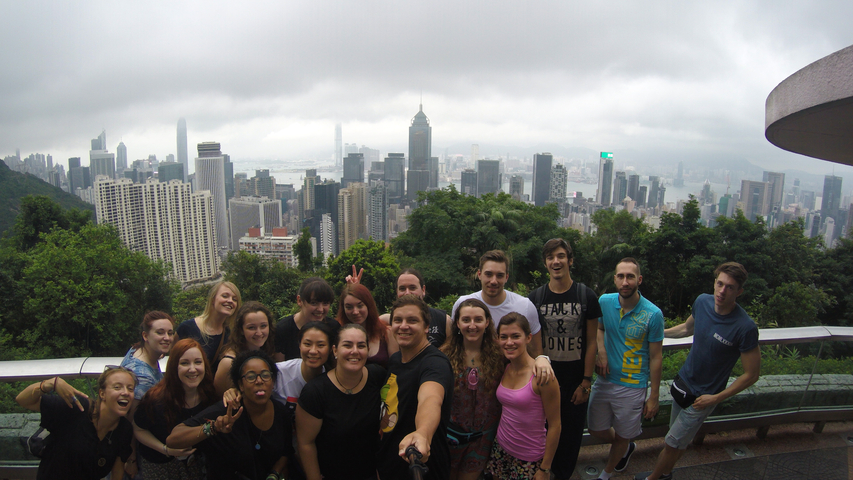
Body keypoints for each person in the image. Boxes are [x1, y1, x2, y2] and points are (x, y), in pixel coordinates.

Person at [638, 262, 760, 480]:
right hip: (683, 384)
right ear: (714, 283)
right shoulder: (703, 302)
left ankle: (653, 478)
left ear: (739, 291)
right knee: (678, 440)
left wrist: (716, 398)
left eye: (730, 287)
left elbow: (751, 374)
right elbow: (687, 328)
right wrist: (656, 333)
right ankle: (666, 473)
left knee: (671, 442)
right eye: (720, 284)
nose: (722, 291)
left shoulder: (745, 327)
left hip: (705, 396)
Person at [528, 238, 602, 480]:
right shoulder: (536, 298)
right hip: (546, 381)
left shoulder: (586, 296)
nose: (556, 261)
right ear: (545, 263)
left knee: (570, 439)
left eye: (561, 256)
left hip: (574, 383)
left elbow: (592, 342)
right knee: (543, 433)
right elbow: (532, 344)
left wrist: (586, 382)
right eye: (550, 257)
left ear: (570, 260)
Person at [589, 258, 664, 480]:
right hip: (605, 379)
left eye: (630, 276)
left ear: (639, 280)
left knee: (623, 434)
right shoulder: (604, 301)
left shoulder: (653, 314)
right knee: (595, 429)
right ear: (614, 279)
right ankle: (625, 445)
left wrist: (654, 396)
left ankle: (607, 473)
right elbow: (599, 329)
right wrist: (601, 351)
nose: (625, 281)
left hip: (633, 385)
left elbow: (656, 357)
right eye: (620, 276)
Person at [167, 349, 292, 480]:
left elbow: (286, 451)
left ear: (272, 382)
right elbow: (173, 440)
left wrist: (274, 474)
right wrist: (213, 428)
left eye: (265, 375)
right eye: (250, 377)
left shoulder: (280, 412)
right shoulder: (227, 410)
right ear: (240, 385)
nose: (259, 381)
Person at [378, 295, 454, 480]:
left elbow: (431, 398)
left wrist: (422, 433)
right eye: (398, 320)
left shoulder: (435, 363)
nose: (403, 326)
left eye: (412, 320)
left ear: (426, 327)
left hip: (420, 467)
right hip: (390, 464)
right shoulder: (396, 359)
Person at [296, 324, 386, 480]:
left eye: (361, 345)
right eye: (347, 345)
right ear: (335, 350)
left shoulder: (377, 376)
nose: (355, 351)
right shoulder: (315, 392)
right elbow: (305, 443)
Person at [16, 367, 137, 480]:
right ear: (102, 393)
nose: (125, 392)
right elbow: (23, 400)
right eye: (117, 387)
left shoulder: (124, 429)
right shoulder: (76, 409)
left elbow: (118, 469)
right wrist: (50, 384)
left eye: (130, 388)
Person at [485, 313, 561, 480]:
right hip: (501, 446)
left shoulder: (542, 376)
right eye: (503, 337)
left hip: (528, 456)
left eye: (515, 336)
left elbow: (555, 425)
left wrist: (545, 468)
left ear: (528, 338)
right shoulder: (505, 366)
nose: (509, 342)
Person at [133, 338, 217, 479]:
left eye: (198, 362)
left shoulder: (209, 396)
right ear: (173, 367)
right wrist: (165, 449)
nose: (192, 369)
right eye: (184, 363)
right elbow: (139, 428)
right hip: (160, 468)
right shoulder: (156, 400)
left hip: (197, 468)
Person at [439, 298, 503, 480]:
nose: (472, 325)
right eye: (466, 320)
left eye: (478, 320)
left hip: (483, 439)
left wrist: (542, 359)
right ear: (457, 323)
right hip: (451, 437)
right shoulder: (443, 355)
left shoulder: (500, 355)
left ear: (487, 322)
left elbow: (526, 362)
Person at [451, 250, 544, 359]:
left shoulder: (525, 306)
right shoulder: (463, 305)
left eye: (499, 275)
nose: (494, 281)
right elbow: (453, 343)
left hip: (514, 372)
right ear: (479, 274)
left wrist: (542, 361)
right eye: (488, 274)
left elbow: (537, 351)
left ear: (506, 277)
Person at [119, 311, 176, 477]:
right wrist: (130, 460)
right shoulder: (142, 377)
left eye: (170, 333)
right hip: (133, 452)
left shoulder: (137, 351)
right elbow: (129, 422)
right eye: (160, 333)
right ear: (145, 335)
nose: (167, 337)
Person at [215, 301, 277, 396]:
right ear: (241, 330)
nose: (259, 332)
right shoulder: (228, 363)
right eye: (252, 328)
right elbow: (219, 398)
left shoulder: (268, 350)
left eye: (263, 326)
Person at [177, 281, 241, 367]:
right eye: (225, 296)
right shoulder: (187, 328)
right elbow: (173, 361)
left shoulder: (231, 335)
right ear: (213, 299)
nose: (230, 301)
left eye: (234, 299)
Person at [274, 277, 339, 361]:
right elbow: (280, 368)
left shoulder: (333, 327)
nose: (320, 309)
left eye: (325, 303)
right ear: (300, 301)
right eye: (314, 303)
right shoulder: (283, 330)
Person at [337, 283, 399, 368]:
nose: (355, 312)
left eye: (360, 306)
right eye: (349, 307)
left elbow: (396, 369)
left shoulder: (387, 333)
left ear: (368, 305)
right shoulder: (337, 333)